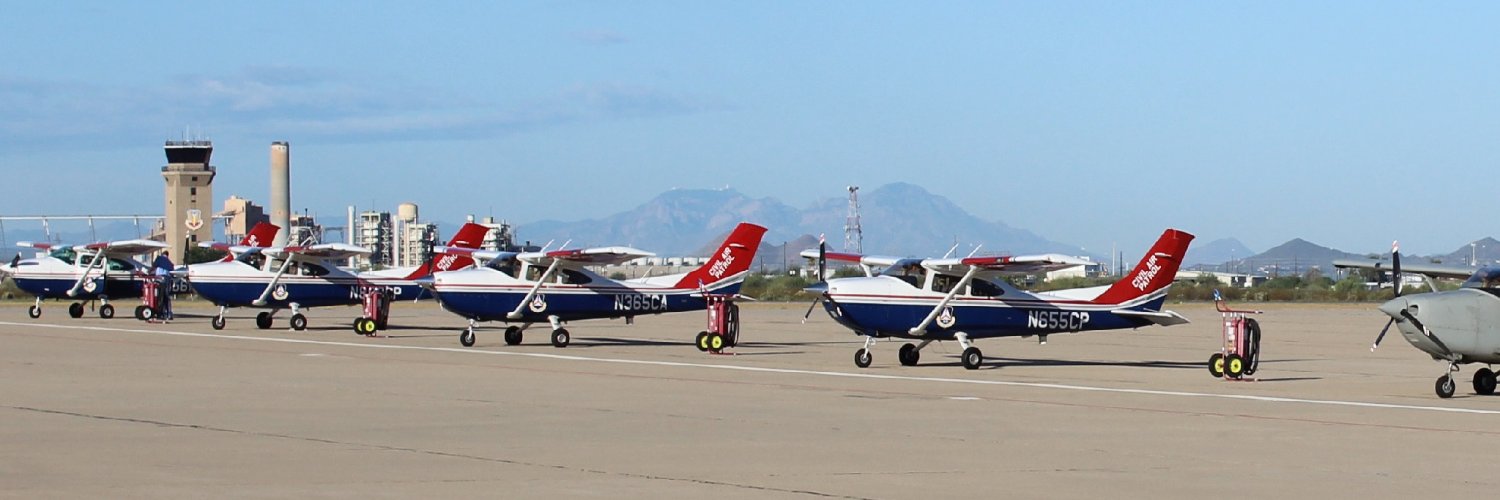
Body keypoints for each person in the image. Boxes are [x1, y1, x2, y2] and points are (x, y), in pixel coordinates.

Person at [152, 251, 174, 320]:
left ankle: (161, 313)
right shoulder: (169, 263)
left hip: (159, 278)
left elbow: (154, 267)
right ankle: (168, 313)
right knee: (166, 297)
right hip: (166, 278)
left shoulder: (159, 260)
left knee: (159, 296)